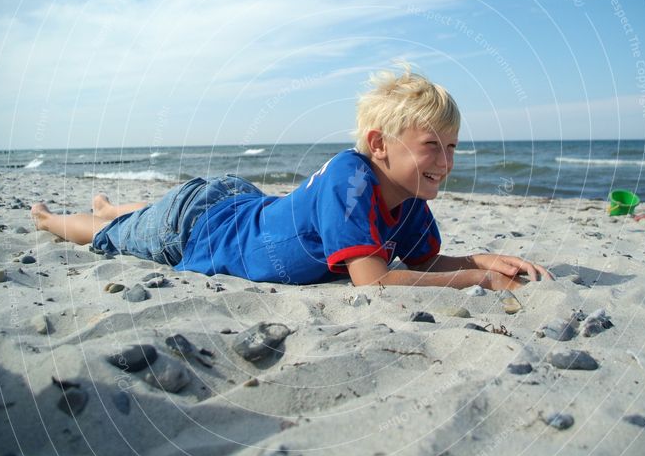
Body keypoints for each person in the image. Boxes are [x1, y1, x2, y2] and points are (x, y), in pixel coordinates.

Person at [31, 65, 552, 290]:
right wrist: (477, 280)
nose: (446, 161)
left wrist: (480, 257)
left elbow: (424, 262)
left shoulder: (412, 195)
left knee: (133, 217)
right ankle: (58, 220)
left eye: (453, 147)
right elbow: (374, 282)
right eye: (431, 147)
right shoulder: (352, 179)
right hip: (195, 225)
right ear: (378, 146)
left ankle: (112, 206)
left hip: (242, 201)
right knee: (110, 237)